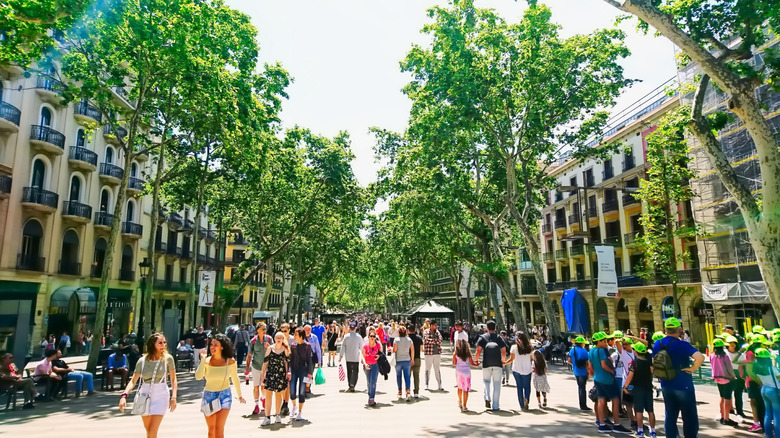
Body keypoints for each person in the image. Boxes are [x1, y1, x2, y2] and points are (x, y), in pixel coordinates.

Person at [652, 317, 705, 438]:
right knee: (689, 417)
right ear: (679, 329)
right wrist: (692, 368)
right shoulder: (682, 344)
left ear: (665, 329)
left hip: (666, 384)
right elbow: (700, 357)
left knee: (670, 416)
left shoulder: (658, 343)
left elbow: (653, 361)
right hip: (683, 385)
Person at [119, 333, 177, 438]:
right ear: (152, 345)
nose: (163, 345)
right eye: (160, 343)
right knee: (149, 432)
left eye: (164, 342)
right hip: (144, 395)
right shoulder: (142, 361)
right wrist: (124, 395)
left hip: (161, 395)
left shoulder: (168, 359)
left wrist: (174, 397)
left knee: (151, 431)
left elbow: (173, 379)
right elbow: (133, 380)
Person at [196, 333, 244, 438]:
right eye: (211, 344)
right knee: (211, 431)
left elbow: (235, 379)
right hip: (208, 396)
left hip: (224, 396)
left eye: (215, 344)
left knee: (219, 430)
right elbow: (198, 377)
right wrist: (203, 360)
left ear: (222, 347)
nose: (212, 347)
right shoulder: (207, 360)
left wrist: (240, 395)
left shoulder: (230, 361)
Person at [588, 331, 632, 434]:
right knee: (615, 400)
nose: (606, 342)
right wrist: (611, 371)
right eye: (605, 341)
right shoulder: (602, 351)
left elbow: (590, 367)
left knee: (601, 400)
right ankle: (617, 424)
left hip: (597, 378)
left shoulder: (591, 351)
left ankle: (602, 424)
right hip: (607, 379)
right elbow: (604, 364)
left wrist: (596, 373)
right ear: (600, 341)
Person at [624, 343, 657, 438]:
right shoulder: (649, 362)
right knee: (650, 411)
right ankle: (653, 431)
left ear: (636, 352)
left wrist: (625, 387)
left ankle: (640, 430)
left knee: (639, 411)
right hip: (648, 389)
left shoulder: (634, 363)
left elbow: (630, 376)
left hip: (637, 390)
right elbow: (652, 372)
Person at [475, 320, 507, 411]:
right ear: (495, 328)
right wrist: (503, 361)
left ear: (487, 328)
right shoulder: (499, 338)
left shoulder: (482, 337)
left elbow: (478, 351)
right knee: (497, 384)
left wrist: (476, 361)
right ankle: (496, 405)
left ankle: (487, 397)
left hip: (486, 363)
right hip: (497, 363)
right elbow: (504, 352)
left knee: (486, 381)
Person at [260, 332, 290, 426]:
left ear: (283, 339)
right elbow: (265, 363)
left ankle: (277, 415)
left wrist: (286, 374)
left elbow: (287, 363)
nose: (278, 339)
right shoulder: (270, 349)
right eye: (277, 337)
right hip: (270, 374)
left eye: (280, 337)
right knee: (268, 395)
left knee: (278, 395)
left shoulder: (285, 349)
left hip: (280, 375)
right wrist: (262, 375)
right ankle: (267, 417)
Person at [709, 338, 738, 427]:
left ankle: (722, 416)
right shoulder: (725, 356)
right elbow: (729, 368)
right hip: (727, 378)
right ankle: (726, 418)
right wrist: (734, 376)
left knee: (721, 397)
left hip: (717, 378)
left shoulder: (711, 355)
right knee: (727, 398)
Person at [245, 322, 272, 416]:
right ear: (258, 330)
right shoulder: (253, 341)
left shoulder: (269, 339)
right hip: (256, 366)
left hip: (266, 367)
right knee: (256, 387)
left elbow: (274, 351)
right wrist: (247, 369)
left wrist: (269, 348)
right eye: (263, 329)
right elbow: (249, 355)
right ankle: (256, 405)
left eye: (265, 329)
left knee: (263, 386)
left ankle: (263, 398)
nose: (265, 331)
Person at [754, 348, 780, 438]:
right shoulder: (772, 369)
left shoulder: (756, 368)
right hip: (774, 391)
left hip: (764, 389)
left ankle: (768, 435)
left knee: (768, 413)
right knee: (777, 414)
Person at [289, 327, 314, 420]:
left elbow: (309, 360)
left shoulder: (307, 346)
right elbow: (290, 360)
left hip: (303, 370)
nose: (294, 336)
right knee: (292, 391)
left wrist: (310, 372)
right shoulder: (293, 346)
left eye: (295, 334)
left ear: (300, 335)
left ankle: (299, 411)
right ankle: (294, 405)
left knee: (302, 391)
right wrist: (289, 371)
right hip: (294, 370)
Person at [506, 331, 533, 410]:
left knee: (519, 387)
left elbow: (511, 359)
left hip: (517, 369)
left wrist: (504, 363)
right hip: (527, 369)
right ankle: (527, 399)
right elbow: (531, 358)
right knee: (527, 386)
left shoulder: (514, 347)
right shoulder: (530, 348)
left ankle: (521, 404)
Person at [453, 339, 477, 411]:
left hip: (459, 372)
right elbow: (472, 363)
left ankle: (460, 402)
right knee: (465, 390)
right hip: (467, 373)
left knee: (460, 388)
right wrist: (477, 364)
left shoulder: (456, 353)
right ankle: (464, 406)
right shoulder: (468, 354)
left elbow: (454, 363)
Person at [726, 335, 747, 417]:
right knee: (728, 394)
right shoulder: (725, 353)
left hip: (738, 374)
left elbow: (744, 363)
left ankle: (739, 411)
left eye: (734, 343)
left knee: (738, 394)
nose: (732, 345)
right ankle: (729, 410)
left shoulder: (740, 354)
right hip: (728, 374)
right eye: (730, 343)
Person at [569, 335, 591, 411]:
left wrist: (574, 364)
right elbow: (587, 363)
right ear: (582, 343)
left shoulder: (572, 350)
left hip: (576, 371)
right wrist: (588, 372)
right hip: (583, 372)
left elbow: (569, 360)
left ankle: (581, 404)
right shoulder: (584, 351)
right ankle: (583, 405)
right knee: (582, 388)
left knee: (580, 387)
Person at [340, 322, 363, 392]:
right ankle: (353, 384)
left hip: (348, 357)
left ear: (349, 328)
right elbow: (362, 347)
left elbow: (343, 347)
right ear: (355, 328)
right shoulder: (359, 337)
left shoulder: (346, 336)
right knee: (355, 371)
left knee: (349, 371)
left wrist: (340, 356)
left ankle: (350, 384)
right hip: (356, 357)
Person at [393, 325, 414, 401]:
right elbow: (412, 350)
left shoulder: (396, 340)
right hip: (407, 360)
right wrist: (412, 359)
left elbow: (395, 350)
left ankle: (399, 391)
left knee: (399, 376)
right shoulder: (409, 340)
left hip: (398, 360)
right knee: (407, 376)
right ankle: (408, 391)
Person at [362, 327, 381, 406]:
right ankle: (370, 395)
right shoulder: (365, 346)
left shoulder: (378, 345)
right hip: (367, 365)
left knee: (373, 382)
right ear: (368, 337)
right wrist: (365, 363)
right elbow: (362, 356)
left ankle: (372, 398)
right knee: (369, 382)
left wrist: (379, 356)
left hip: (375, 365)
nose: (372, 338)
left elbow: (381, 354)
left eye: (374, 336)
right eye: (371, 336)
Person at [423, 320, 444, 391]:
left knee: (437, 369)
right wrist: (435, 341)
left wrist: (432, 341)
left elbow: (440, 340)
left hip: (437, 353)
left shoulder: (437, 332)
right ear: (431, 325)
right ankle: (426, 384)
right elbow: (426, 340)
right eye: (435, 325)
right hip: (428, 353)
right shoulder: (426, 331)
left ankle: (440, 384)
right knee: (427, 369)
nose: (436, 327)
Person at [408, 323, 424, 398]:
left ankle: (408, 391)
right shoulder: (419, 337)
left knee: (408, 376)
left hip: (408, 359)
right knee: (416, 376)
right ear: (414, 330)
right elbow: (421, 348)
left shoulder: (407, 338)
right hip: (417, 358)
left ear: (408, 330)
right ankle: (416, 392)